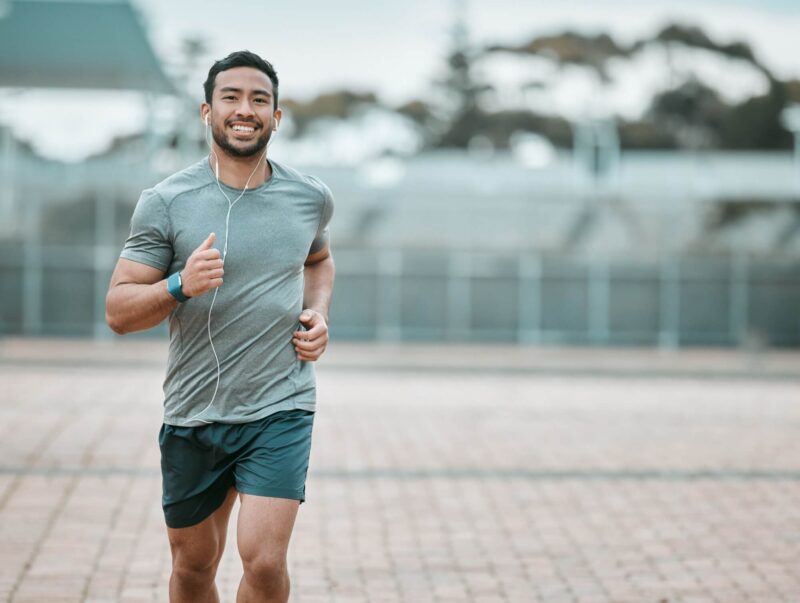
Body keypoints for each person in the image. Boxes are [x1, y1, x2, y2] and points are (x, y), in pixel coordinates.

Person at [105, 50, 335, 603]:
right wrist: (180, 284)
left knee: (263, 560)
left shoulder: (310, 197)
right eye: (231, 97)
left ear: (276, 117)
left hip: (280, 406)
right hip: (194, 411)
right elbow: (117, 310)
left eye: (260, 99)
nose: (245, 109)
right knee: (192, 567)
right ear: (207, 111)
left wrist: (319, 311)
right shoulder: (166, 201)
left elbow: (319, 260)